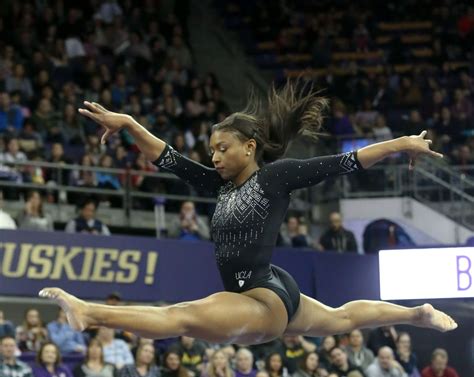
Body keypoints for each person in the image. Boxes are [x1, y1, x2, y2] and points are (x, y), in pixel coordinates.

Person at [40, 88, 456, 351]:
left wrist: (401, 143)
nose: (215, 157)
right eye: (212, 151)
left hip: (262, 298)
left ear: (250, 146)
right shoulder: (219, 186)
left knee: (179, 317)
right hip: (273, 287)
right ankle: (416, 314)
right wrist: (129, 123)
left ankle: (89, 312)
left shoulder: (275, 177)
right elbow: (165, 156)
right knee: (341, 318)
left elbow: (345, 162)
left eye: (222, 149)